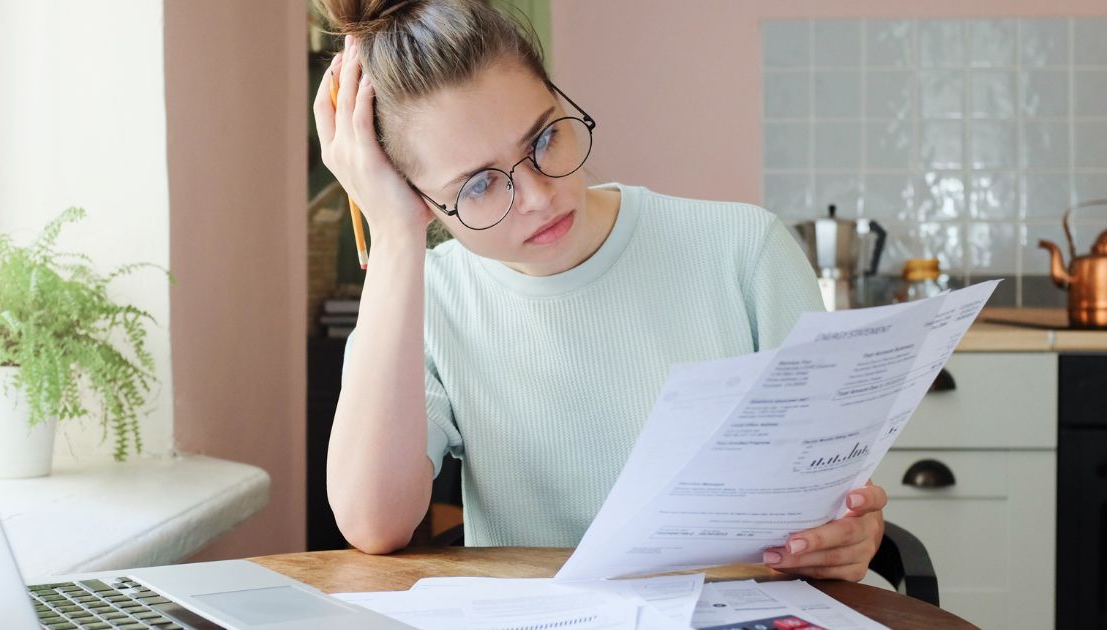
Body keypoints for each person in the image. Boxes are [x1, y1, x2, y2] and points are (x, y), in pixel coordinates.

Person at [313, 0, 887, 582]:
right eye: (480, 185)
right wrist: (391, 235)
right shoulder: (429, 299)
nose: (539, 196)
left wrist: (844, 538)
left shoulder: (745, 249)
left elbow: (831, 507)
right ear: (420, 200)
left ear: (561, 100)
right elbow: (374, 522)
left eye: (543, 139)